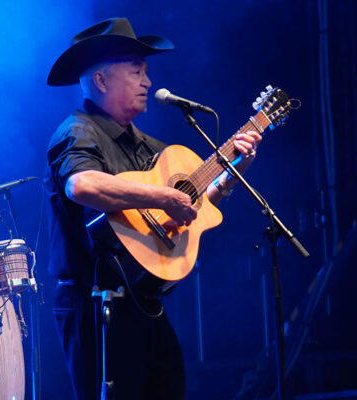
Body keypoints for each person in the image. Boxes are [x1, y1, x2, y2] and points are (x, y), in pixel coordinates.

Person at [44, 18, 262, 399]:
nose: (148, 81)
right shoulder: (77, 130)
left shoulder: (149, 146)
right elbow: (82, 184)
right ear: (101, 81)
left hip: (145, 301)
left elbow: (192, 206)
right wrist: (162, 197)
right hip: (95, 303)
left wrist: (230, 173)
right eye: (137, 71)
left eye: (146, 72)